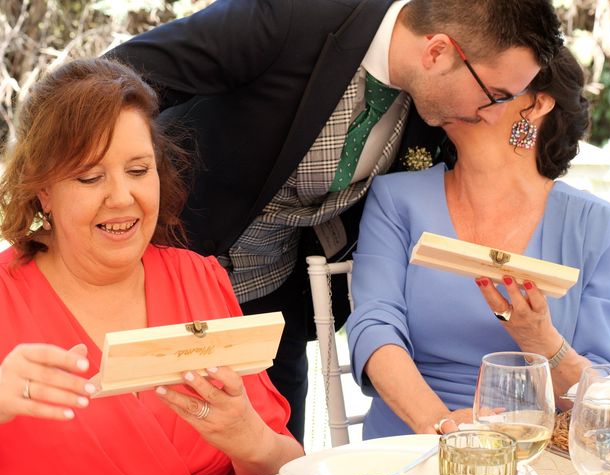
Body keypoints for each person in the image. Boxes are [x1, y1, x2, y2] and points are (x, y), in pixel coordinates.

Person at [107, 0, 565, 441]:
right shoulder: (293, 17)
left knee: (277, 453)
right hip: (151, 268)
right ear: (438, 51)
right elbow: (118, 78)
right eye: (494, 96)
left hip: (273, 298)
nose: (487, 115)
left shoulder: (434, 112)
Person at [0, 58, 303, 475]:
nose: (122, 197)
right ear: (44, 191)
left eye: (138, 171)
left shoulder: (199, 280)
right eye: (90, 177)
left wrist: (251, 439)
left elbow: (290, 467)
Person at [346, 46, 610, 440]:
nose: (459, 84)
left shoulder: (598, 225)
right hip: (411, 442)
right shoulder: (397, 200)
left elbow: (599, 395)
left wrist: (540, 339)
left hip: (535, 448)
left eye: (486, 77)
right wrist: (442, 426)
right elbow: (374, 328)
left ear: (537, 105)